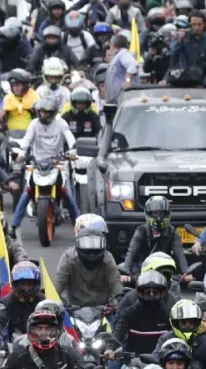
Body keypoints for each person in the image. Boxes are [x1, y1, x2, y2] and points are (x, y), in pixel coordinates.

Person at [11, 96, 80, 227]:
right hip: (37, 163)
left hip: (58, 163)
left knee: (69, 195)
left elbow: (71, 139)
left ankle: (79, 225)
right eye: (42, 112)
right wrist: (21, 155)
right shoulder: (34, 124)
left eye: (47, 112)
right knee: (26, 193)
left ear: (53, 113)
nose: (44, 115)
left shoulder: (61, 123)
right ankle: (13, 225)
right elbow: (26, 141)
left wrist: (72, 151)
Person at [53, 229, 124, 308]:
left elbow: (116, 284)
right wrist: (50, 301)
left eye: (95, 243)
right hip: (73, 310)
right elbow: (57, 284)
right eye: (86, 244)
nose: (91, 252)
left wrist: (119, 300)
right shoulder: (69, 262)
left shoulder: (107, 261)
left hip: (104, 310)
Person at [123, 197, 188, 277]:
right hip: (142, 272)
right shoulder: (141, 231)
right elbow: (131, 253)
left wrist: (185, 272)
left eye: (162, 213)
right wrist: (125, 273)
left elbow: (179, 254)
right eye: (155, 213)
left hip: (164, 271)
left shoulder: (172, 232)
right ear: (148, 214)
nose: (158, 217)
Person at [167, 11, 206, 88]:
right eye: (194, 25)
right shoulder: (181, 36)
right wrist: (180, 40)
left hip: (200, 80)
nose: (196, 28)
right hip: (181, 77)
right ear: (189, 25)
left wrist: (204, 83)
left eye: (199, 24)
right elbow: (172, 53)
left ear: (204, 24)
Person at [105, 34, 139, 107]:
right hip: (117, 101)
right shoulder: (117, 57)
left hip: (126, 100)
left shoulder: (123, 53)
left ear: (113, 46)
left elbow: (132, 64)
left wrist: (127, 80)